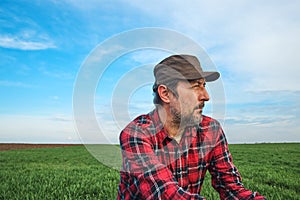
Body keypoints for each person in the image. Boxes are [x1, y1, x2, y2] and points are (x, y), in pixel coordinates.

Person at [117, 54, 265, 200]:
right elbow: (165, 193)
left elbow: (231, 187)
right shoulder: (136, 134)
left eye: (204, 85)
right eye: (196, 86)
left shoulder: (211, 129)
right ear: (165, 93)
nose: (206, 96)